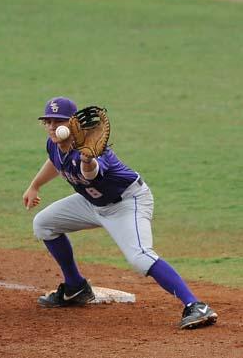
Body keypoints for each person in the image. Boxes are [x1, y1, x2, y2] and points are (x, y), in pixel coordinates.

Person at [22, 96, 218, 330]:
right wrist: (35, 185)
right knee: (43, 223)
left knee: (140, 257)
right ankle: (75, 288)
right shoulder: (54, 144)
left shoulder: (93, 150)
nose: (53, 127)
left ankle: (196, 305)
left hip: (127, 202)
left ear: (74, 124)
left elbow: (91, 174)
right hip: (92, 202)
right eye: (48, 121)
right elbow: (55, 162)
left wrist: (87, 159)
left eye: (59, 121)